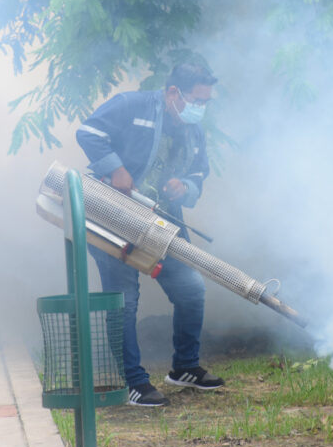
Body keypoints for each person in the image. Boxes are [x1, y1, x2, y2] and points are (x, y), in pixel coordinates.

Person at [76, 62, 224, 407]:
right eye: (197, 100)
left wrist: (183, 186)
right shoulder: (132, 105)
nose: (201, 108)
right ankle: (133, 382)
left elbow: (199, 175)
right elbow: (88, 132)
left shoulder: (193, 130)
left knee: (191, 289)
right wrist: (116, 169)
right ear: (173, 93)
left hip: (163, 223)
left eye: (206, 102)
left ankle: (185, 367)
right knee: (125, 301)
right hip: (115, 216)